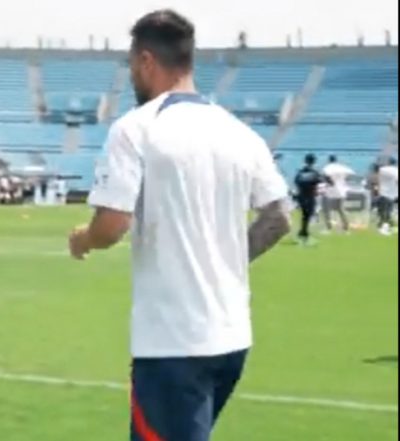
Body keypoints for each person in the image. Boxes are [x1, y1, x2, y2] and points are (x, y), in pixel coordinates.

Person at [66, 10, 290, 441]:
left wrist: (83, 240)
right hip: (231, 336)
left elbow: (112, 224)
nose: (132, 75)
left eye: (132, 65)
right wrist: (225, 261)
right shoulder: (239, 132)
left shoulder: (137, 128)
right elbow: (278, 217)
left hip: (174, 342)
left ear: (146, 61)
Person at [294, 153, 324, 245]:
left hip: (301, 196)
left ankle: (303, 232)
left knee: (305, 215)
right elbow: (320, 181)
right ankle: (303, 233)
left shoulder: (301, 172)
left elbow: (297, 182)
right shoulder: (314, 172)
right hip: (310, 196)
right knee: (308, 215)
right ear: (314, 161)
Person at [321, 155, 355, 233]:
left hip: (330, 191)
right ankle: (346, 227)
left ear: (329, 160)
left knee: (326, 209)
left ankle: (328, 227)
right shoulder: (342, 168)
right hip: (341, 191)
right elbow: (349, 176)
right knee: (341, 209)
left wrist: (330, 183)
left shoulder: (327, 168)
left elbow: (326, 177)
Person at [376, 158, 398, 235]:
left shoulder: (382, 169)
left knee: (382, 211)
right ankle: (386, 227)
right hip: (393, 193)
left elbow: (378, 179)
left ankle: (384, 227)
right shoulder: (395, 170)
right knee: (388, 211)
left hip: (383, 192)